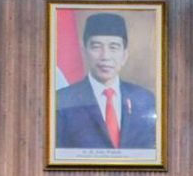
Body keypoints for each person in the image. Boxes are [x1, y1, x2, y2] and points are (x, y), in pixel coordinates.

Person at [55, 12, 158, 150]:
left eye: (113, 47)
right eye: (96, 47)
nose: (105, 56)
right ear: (84, 52)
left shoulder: (144, 99)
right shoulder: (62, 100)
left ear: (124, 55)